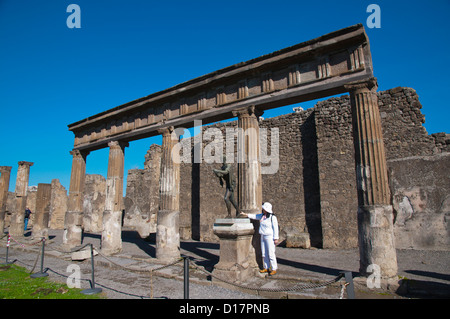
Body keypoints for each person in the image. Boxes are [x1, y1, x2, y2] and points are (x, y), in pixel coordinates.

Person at [241, 202, 279, 276]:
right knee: (264, 253)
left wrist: (276, 238)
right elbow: (254, 216)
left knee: (271, 253)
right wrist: (246, 214)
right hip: (263, 235)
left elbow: (275, 228)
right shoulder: (262, 216)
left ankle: (274, 268)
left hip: (269, 236)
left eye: (264, 209)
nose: (263, 210)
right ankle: (266, 267)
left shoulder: (272, 217)